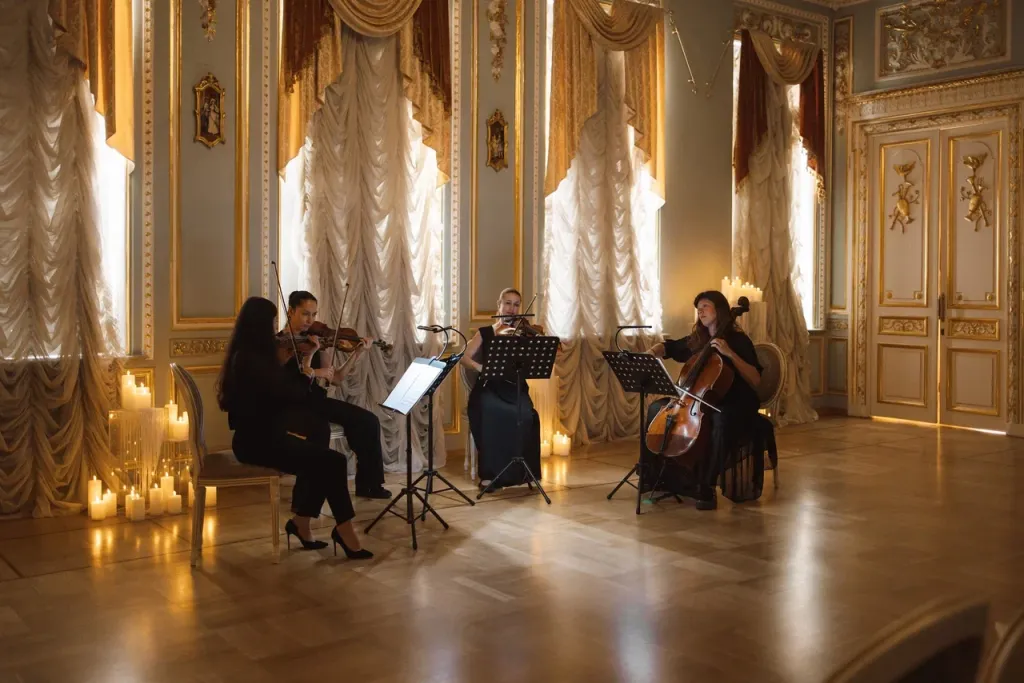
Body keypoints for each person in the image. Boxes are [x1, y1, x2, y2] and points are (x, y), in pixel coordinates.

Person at [216, 296, 372, 558]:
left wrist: (306, 362)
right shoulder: (251, 361)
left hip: (265, 438)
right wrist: (308, 368)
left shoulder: (249, 356)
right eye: (271, 322)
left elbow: (284, 391)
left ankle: (302, 523)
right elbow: (291, 394)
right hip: (257, 443)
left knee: (324, 462)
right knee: (332, 463)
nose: (274, 329)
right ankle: (344, 531)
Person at [644, 290, 766, 510]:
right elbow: (670, 347)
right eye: (698, 308)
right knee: (656, 408)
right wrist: (653, 352)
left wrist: (729, 353)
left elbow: (756, 378)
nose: (700, 312)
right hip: (702, 400)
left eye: (705, 307)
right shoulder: (699, 339)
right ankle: (655, 475)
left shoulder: (738, 340)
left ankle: (706, 485)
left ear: (719, 310)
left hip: (735, 400)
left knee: (721, 421)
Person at [277, 291, 391, 500]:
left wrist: (356, 353)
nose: (310, 320)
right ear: (291, 311)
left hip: (316, 400)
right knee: (320, 430)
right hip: (293, 405)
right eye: (305, 314)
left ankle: (369, 484)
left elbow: (336, 378)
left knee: (368, 421)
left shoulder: (319, 341)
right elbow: (284, 383)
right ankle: (305, 495)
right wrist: (314, 368)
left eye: (314, 314)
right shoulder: (280, 344)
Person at [460, 288, 542, 490]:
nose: (512, 309)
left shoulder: (523, 332)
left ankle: (522, 473)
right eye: (507, 303)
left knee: (527, 415)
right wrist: (481, 367)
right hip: (489, 387)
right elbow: (464, 357)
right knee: (491, 412)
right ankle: (490, 475)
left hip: (515, 388)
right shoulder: (485, 332)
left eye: (516, 305)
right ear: (499, 304)